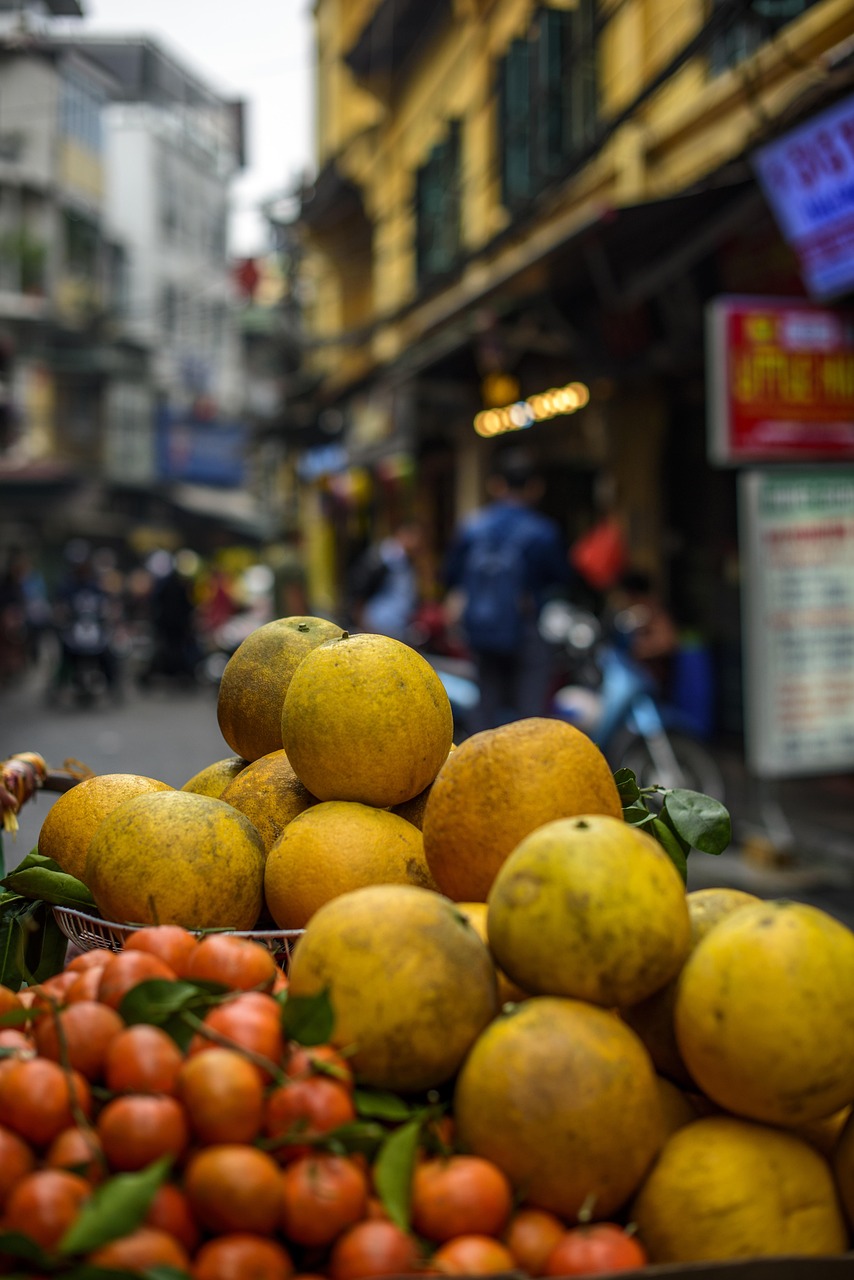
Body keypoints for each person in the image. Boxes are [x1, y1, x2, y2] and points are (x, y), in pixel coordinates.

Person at [443, 448, 568, 731]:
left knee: (485, 707)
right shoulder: (543, 531)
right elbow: (561, 579)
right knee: (530, 714)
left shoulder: (472, 527)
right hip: (527, 630)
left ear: (496, 484)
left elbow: (450, 576)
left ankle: (479, 769)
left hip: (482, 631)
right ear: (535, 487)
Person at [347, 521, 424, 642]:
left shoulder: (408, 561)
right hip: (377, 624)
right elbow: (360, 589)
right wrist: (362, 623)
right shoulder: (382, 557)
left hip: (399, 627)